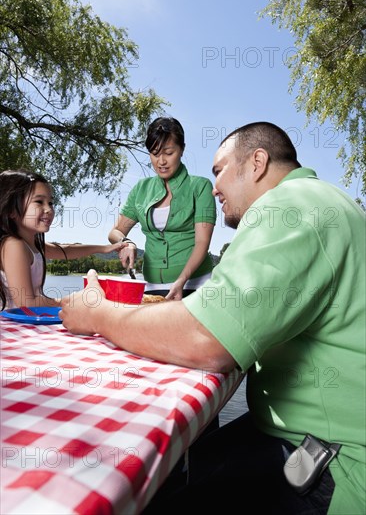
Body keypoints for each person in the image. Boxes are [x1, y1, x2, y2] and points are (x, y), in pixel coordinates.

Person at [60, 122, 366, 514]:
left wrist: (99, 315)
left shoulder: (288, 208)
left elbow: (207, 338)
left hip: (335, 462)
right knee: (189, 461)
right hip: (304, 431)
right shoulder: (324, 200)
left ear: (257, 163)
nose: (215, 185)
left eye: (220, 170)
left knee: (159, 496)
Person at [108, 116, 217, 300]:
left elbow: (202, 242)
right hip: (152, 286)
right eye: (155, 153)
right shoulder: (141, 190)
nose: (161, 161)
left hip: (195, 285)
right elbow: (115, 232)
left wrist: (181, 281)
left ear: (182, 149)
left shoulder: (200, 187)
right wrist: (128, 243)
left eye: (168, 152)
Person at [0, 169, 127, 310]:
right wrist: (73, 301)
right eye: (39, 202)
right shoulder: (14, 245)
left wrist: (104, 248)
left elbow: (65, 250)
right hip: (10, 326)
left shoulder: (31, 244)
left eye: (51, 203)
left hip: (28, 320)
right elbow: (26, 303)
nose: (48, 209)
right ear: (11, 211)